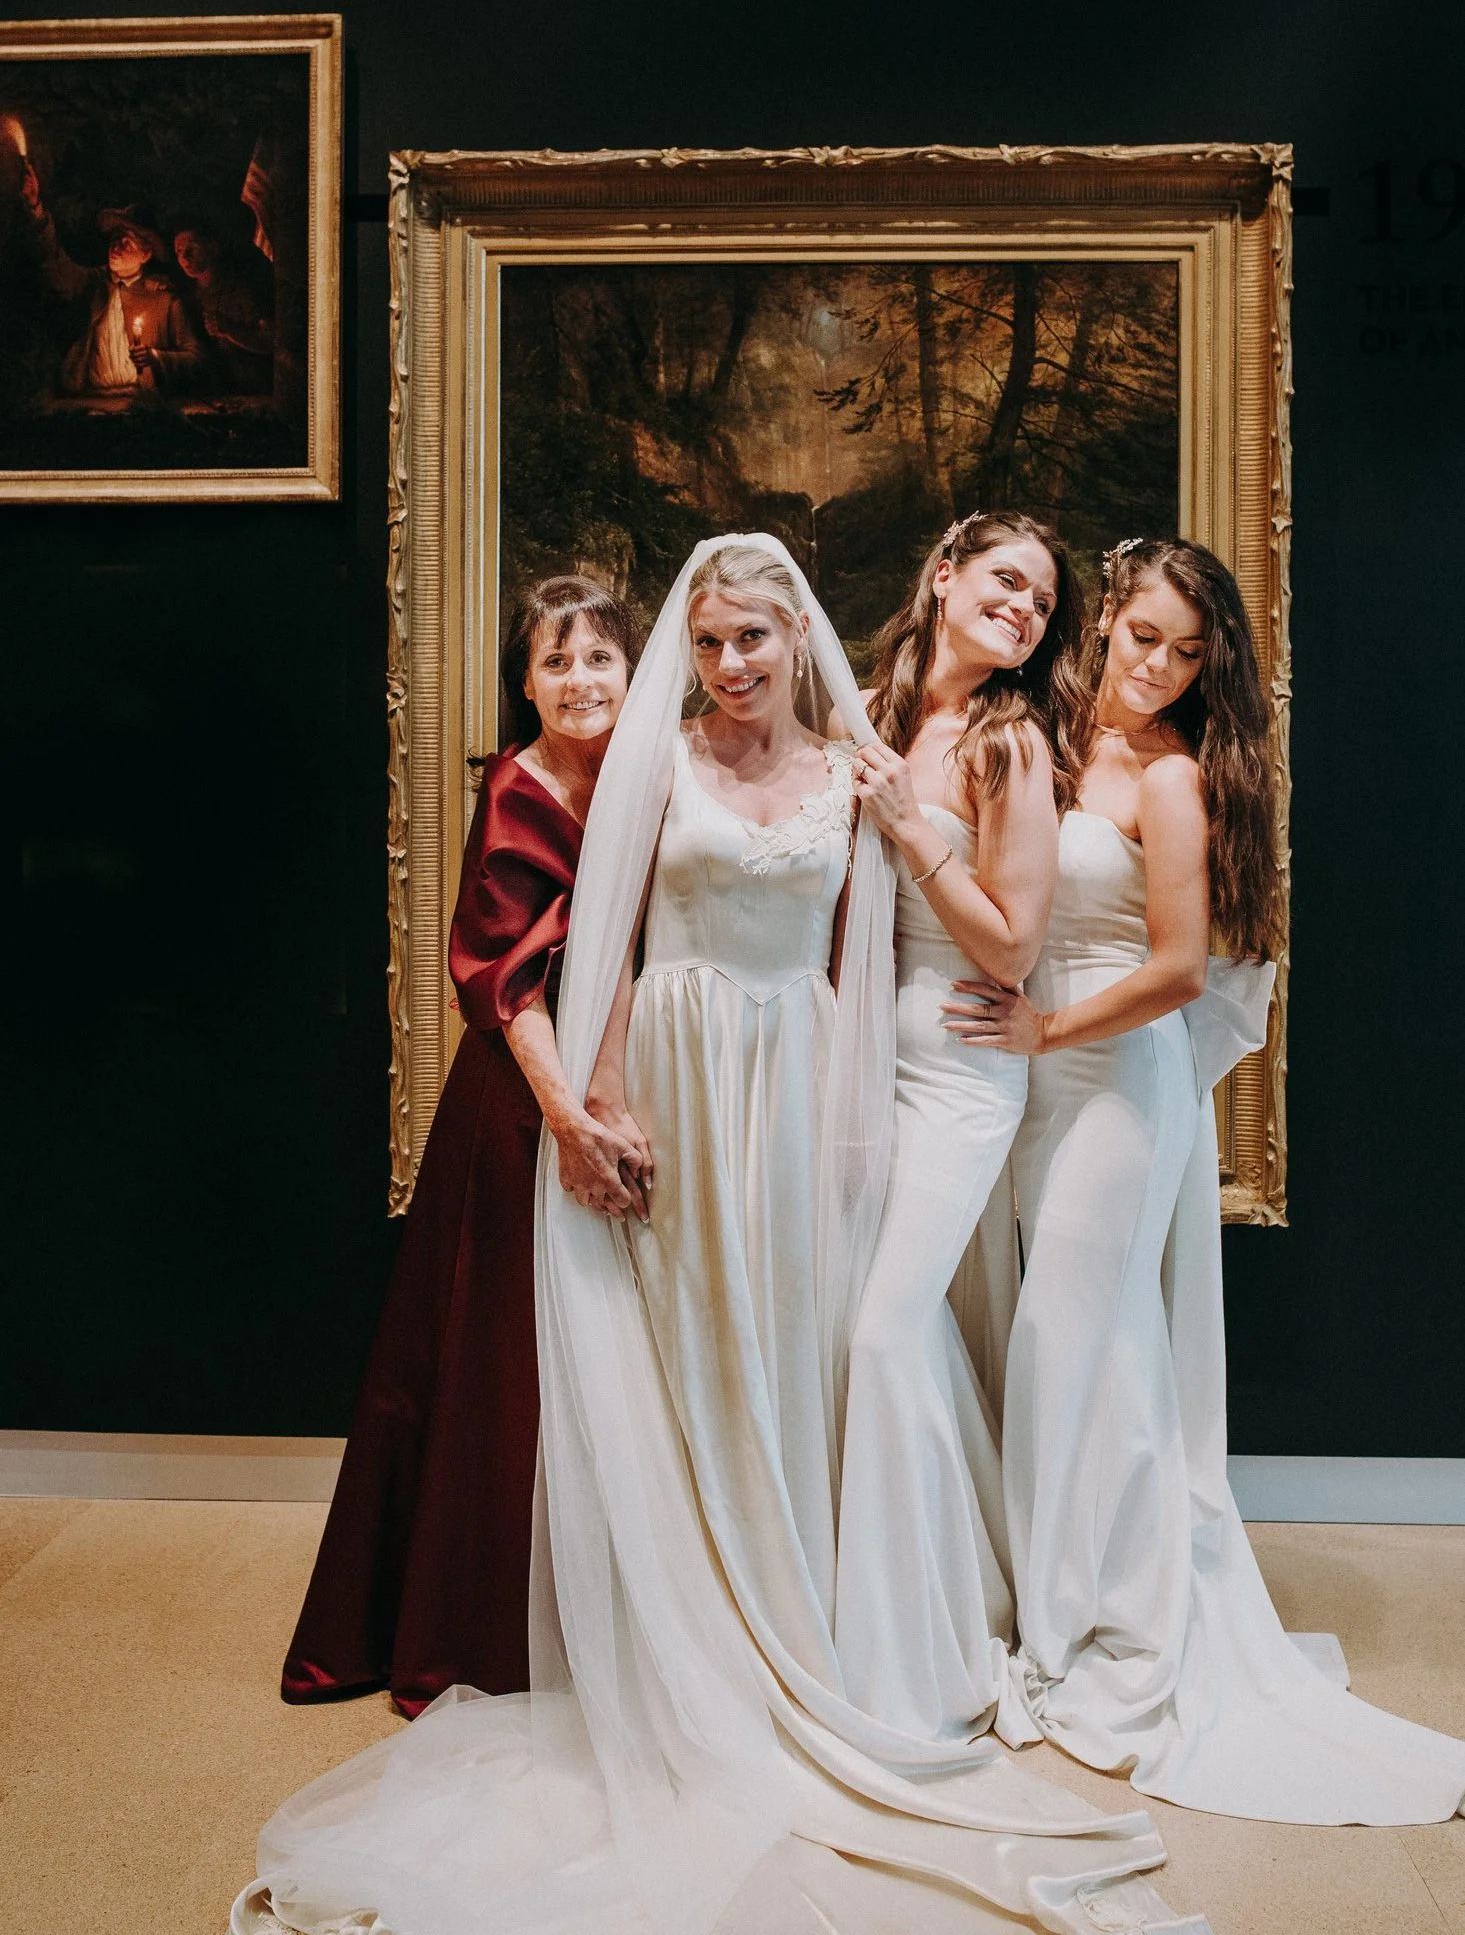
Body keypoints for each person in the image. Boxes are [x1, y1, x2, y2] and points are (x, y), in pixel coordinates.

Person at [236, 536, 1204, 1935]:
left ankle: (818, 1618)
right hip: (677, 1074)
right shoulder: (663, 757)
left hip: (798, 1079)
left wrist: (862, 1116)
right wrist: (603, 1089)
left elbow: (874, 949)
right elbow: (614, 936)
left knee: (797, 1343)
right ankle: (682, 1619)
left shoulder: (858, 769)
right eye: (709, 642)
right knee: (681, 1342)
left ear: (797, 637)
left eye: (753, 637)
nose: (732, 662)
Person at [947, 537, 1465, 1823]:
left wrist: (1044, 1033)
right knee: (1070, 1345)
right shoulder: (1040, 737)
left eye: (1186, 652)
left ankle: (1086, 1628)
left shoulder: (1173, 777)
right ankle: (1051, 1596)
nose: (1159, 668)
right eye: (1143, 638)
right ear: (1102, 620)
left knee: (1072, 1341)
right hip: (1027, 1083)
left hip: (1116, 1081)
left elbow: (1181, 969)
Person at [281, 576, 642, 1715]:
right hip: (525, 1098)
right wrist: (568, 1120)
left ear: (634, 670)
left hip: (638, 1081)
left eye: (600, 657)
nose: (579, 680)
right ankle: (481, 1628)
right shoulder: (517, 790)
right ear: (524, 681)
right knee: (505, 1360)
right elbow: (501, 978)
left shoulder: (653, 775)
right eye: (555, 661)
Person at [829, 510, 1084, 1746]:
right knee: (875, 1324)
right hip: (852, 1060)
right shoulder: (869, 707)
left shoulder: (1009, 742)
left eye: (1041, 601)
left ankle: (910, 1650)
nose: (1024, 608)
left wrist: (909, 824)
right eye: (1006, 581)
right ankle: (952, 1576)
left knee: (883, 1332)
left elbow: (1013, 947)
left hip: (960, 1068)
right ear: (942, 575)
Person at [18, 174, 205, 396]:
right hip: (91, 399)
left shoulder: (163, 298)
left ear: (145, 254)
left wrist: (156, 357)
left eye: (126, 243)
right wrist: (35, 210)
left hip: (142, 402)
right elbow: (53, 261)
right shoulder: (92, 284)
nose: (116, 247)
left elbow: (196, 359)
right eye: (114, 240)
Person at [173, 224, 275, 392]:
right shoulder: (186, 294)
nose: (184, 257)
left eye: (192, 249)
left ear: (213, 248)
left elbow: (272, 342)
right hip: (211, 387)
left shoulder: (241, 291)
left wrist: (230, 330)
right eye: (178, 251)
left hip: (252, 386)